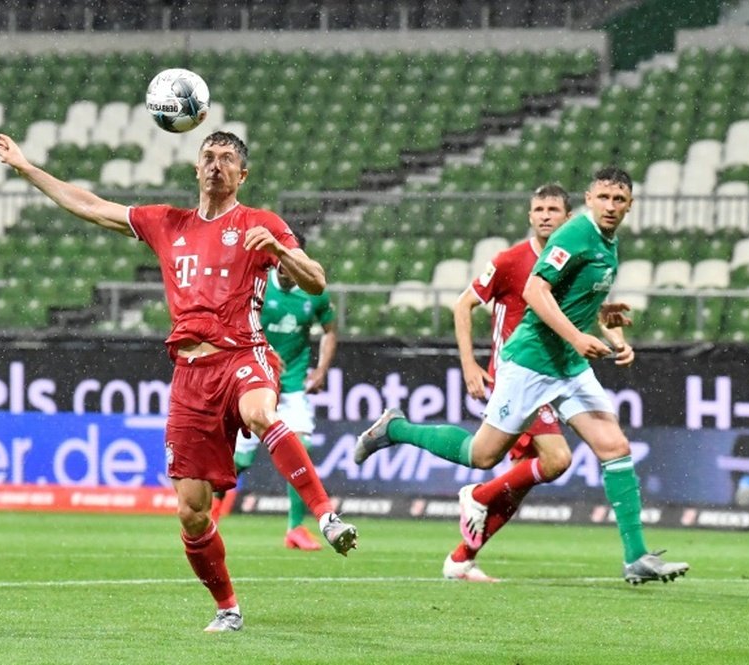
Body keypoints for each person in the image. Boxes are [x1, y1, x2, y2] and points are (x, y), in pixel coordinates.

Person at [0, 130, 357, 633]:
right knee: (191, 511)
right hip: (190, 376)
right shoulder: (168, 223)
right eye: (208, 156)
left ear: (242, 175)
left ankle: (325, 515)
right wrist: (28, 169)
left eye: (228, 159)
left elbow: (316, 279)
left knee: (261, 412)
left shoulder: (259, 224)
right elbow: (93, 207)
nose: (216, 165)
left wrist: (280, 249)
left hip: (243, 355)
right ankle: (228, 607)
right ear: (195, 167)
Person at [356, 167, 689, 585]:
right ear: (588, 200)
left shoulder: (609, 243)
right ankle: (398, 429)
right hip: (530, 363)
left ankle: (635, 556)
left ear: (630, 205)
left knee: (613, 445)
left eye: (618, 200)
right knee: (483, 455)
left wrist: (616, 333)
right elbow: (535, 291)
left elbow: (592, 301)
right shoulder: (573, 236)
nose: (610, 206)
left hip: (568, 365)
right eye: (603, 198)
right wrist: (576, 337)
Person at [443, 183, 573, 582]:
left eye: (554, 208)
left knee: (516, 484)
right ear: (530, 216)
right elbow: (463, 304)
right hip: (517, 378)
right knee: (557, 460)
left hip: (549, 377)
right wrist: (469, 365)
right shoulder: (511, 261)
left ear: (568, 217)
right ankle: (476, 495)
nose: (546, 215)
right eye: (539, 208)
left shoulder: (574, 262)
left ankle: (461, 560)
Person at [223, 254, 339, 551]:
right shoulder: (256, 287)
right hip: (256, 386)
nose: (286, 271)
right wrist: (264, 352)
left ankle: (295, 529)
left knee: (301, 446)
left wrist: (322, 370)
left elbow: (330, 331)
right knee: (238, 462)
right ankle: (207, 517)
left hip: (291, 390)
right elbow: (234, 326)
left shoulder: (315, 294)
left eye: (293, 263)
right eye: (281, 264)